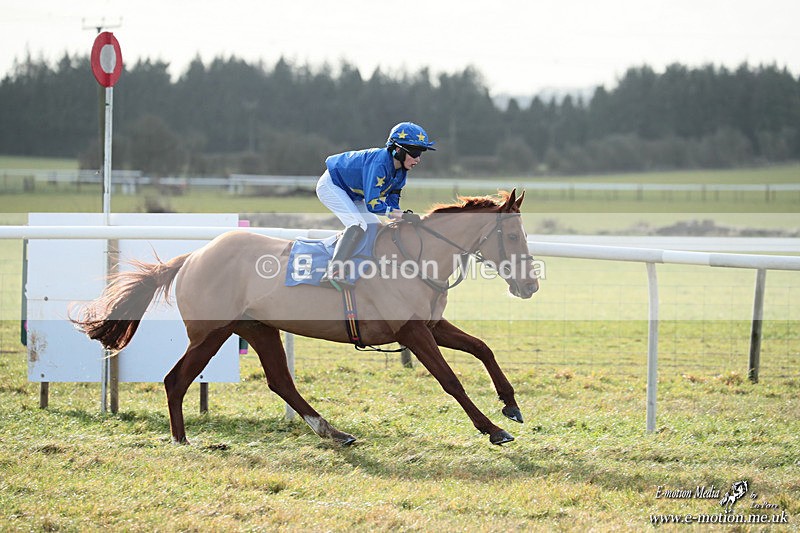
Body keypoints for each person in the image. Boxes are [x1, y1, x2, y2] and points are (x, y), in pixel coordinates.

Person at [316, 121, 436, 287]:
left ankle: (361, 269)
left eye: (421, 153)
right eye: (414, 152)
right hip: (332, 185)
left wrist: (402, 218)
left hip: (352, 192)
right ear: (398, 150)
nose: (418, 159)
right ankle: (333, 272)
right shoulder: (379, 163)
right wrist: (401, 215)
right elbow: (373, 204)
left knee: (373, 226)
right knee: (358, 224)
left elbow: (393, 205)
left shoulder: (401, 172)